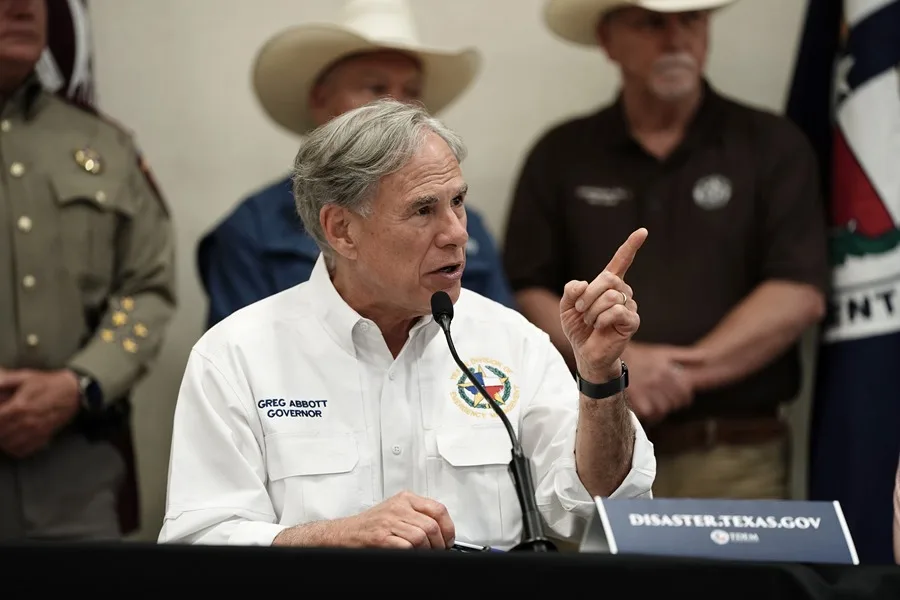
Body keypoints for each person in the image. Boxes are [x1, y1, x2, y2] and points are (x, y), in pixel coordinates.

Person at [159, 99, 655, 550]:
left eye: (457, 201)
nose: (458, 233)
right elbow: (199, 537)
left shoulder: (513, 340)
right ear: (342, 229)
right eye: (424, 210)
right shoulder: (236, 354)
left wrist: (599, 378)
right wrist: (332, 538)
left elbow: (599, 509)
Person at [503, 0, 828, 499]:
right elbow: (527, 292)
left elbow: (798, 292)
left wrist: (676, 371)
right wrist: (618, 369)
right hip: (588, 450)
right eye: (653, 23)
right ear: (608, 40)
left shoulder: (772, 145)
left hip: (731, 454)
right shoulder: (561, 155)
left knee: (735, 582)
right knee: (594, 582)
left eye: (692, 20)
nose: (676, 39)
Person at [197, 0, 515, 330]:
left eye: (412, 91)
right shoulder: (253, 232)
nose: (395, 104)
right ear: (320, 99)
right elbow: (245, 355)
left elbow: (500, 348)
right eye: (375, 88)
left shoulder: (466, 226)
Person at [0, 0, 175, 540]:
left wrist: (77, 383)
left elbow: (146, 287)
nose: (25, 4)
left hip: (74, 478)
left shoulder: (104, 144)